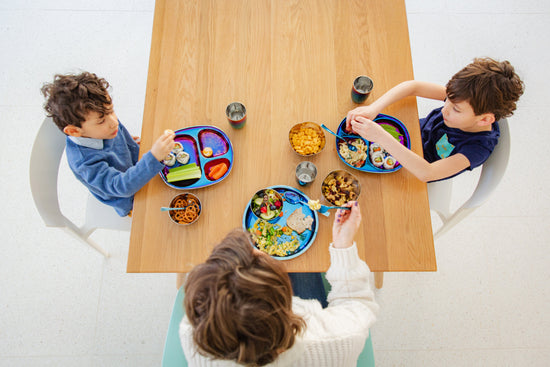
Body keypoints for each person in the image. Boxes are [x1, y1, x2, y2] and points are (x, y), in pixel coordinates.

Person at [180, 202, 378, 366]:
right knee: (302, 270)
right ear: (287, 301)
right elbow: (358, 305)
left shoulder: (193, 332)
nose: (262, 251)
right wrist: (343, 247)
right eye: (259, 256)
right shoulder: (337, 340)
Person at [346, 57, 524, 182]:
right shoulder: (463, 98)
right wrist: (373, 108)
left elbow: (426, 173)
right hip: (407, 137)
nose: (445, 109)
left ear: (485, 119)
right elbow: (413, 86)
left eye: (455, 109)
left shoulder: (477, 149)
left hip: (412, 168)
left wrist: (381, 137)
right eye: (447, 100)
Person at [41, 72, 175, 216]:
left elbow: (114, 129)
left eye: (111, 110)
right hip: (131, 199)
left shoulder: (105, 126)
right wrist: (153, 157)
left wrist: (128, 139)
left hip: (140, 168)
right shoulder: (84, 164)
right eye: (101, 121)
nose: (114, 122)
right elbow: (122, 187)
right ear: (74, 131)